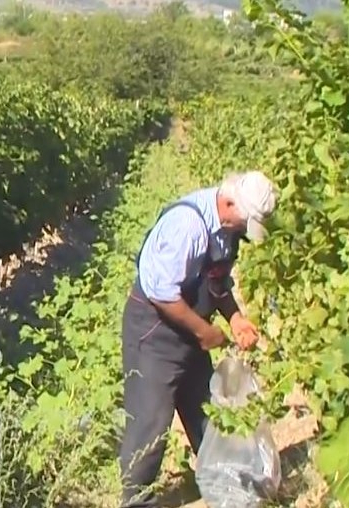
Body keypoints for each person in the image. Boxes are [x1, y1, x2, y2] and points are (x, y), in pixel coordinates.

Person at [118, 170, 277, 508]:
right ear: (231, 202)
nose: (245, 231)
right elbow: (161, 294)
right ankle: (136, 501)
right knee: (150, 422)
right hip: (155, 333)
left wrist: (234, 318)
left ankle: (223, 486)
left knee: (205, 410)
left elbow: (217, 281)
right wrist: (205, 332)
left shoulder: (227, 229)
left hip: (189, 330)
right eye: (246, 221)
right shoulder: (187, 227)